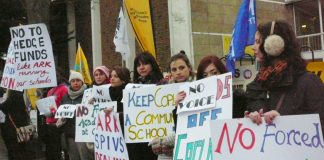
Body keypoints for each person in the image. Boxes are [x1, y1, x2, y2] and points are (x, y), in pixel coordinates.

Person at [244, 20, 324, 133]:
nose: (253, 47)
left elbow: (320, 127)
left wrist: (284, 121)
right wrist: (252, 118)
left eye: (257, 42)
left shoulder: (309, 82)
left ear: (273, 45)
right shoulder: (259, 83)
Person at [150, 53, 195, 160]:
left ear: (189, 68)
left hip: (190, 148)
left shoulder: (199, 88)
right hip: (166, 154)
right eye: (174, 70)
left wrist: (164, 140)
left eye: (182, 68)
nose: (178, 72)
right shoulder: (162, 90)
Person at [59, 71, 91, 160]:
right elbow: (61, 111)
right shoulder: (65, 97)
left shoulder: (88, 95)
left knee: (85, 157)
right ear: (70, 83)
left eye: (78, 80)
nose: (75, 83)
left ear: (82, 82)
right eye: (73, 81)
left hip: (83, 135)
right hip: (70, 135)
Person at [0, 89, 34, 160]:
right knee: (22, 147)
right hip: (22, 126)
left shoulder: (11, 98)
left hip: (12, 129)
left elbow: (3, 107)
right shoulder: (20, 98)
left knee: (14, 149)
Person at [44, 68, 68, 160]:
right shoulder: (50, 91)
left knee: (57, 149)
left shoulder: (64, 89)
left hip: (58, 124)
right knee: (50, 150)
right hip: (48, 123)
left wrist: (55, 112)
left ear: (60, 76)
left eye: (56, 75)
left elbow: (65, 106)